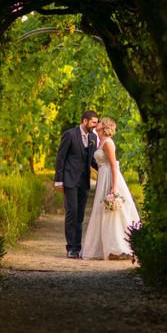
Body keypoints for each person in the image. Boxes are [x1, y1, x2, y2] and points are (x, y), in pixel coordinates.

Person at [81, 117, 139, 260]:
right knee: (104, 211)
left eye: (99, 122)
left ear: (104, 126)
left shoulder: (108, 143)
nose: (97, 124)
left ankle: (118, 246)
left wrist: (113, 187)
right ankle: (106, 247)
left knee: (114, 212)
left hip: (110, 177)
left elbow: (114, 166)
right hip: (103, 176)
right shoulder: (100, 142)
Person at [54, 110, 99, 258]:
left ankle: (78, 248)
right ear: (84, 121)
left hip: (84, 182)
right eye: (93, 122)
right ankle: (71, 248)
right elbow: (61, 157)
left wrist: (106, 169)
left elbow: (91, 159)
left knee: (80, 215)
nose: (95, 125)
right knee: (72, 213)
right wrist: (59, 180)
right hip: (70, 180)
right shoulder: (70, 134)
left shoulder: (93, 137)